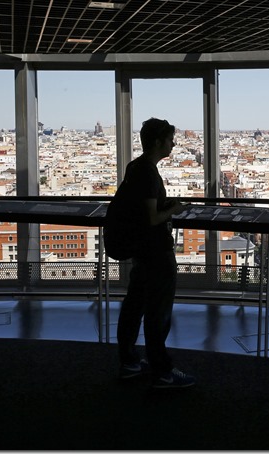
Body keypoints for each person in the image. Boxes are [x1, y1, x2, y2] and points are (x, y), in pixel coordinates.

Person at [116, 117, 194, 388]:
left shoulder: (135, 167)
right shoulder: (148, 172)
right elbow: (151, 218)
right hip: (155, 251)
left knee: (134, 305)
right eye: (170, 139)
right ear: (159, 141)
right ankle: (162, 370)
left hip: (141, 250)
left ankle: (129, 361)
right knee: (158, 312)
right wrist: (174, 209)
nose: (173, 143)